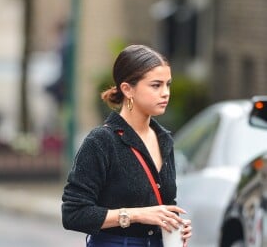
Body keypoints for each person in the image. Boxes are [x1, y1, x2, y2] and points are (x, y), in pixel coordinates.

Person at [61, 45, 192, 247]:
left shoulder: (164, 139)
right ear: (127, 89)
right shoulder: (101, 141)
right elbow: (73, 213)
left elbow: (166, 205)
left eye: (168, 84)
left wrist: (174, 226)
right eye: (156, 85)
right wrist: (136, 215)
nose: (165, 93)